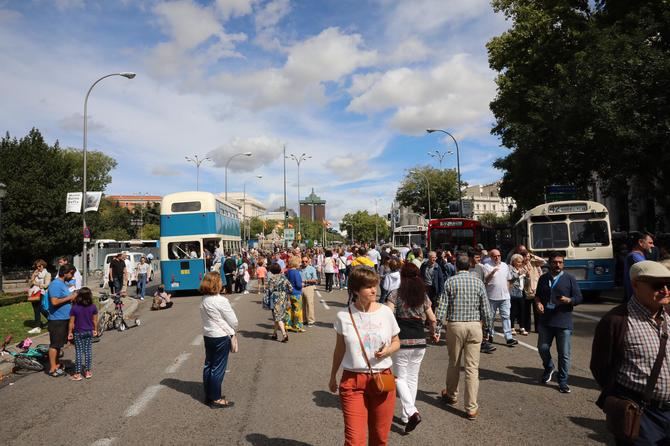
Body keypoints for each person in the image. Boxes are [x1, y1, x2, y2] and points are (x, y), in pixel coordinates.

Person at [591, 261, 670, 444]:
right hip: (641, 415)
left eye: (669, 284)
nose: (665, 290)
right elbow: (600, 367)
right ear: (635, 285)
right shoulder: (616, 321)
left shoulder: (667, 315)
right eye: (657, 285)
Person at [329, 266, 401, 445]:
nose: (374, 290)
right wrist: (332, 376)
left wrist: (388, 351)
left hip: (382, 379)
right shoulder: (343, 316)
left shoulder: (385, 312)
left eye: (375, 285)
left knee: (379, 438)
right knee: (354, 441)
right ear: (355, 290)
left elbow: (396, 341)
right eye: (368, 286)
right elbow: (339, 349)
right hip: (353, 381)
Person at [435, 255, 493, 420]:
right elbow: (486, 309)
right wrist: (488, 328)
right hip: (475, 325)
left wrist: (437, 328)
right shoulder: (478, 282)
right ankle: (471, 408)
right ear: (471, 266)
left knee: (454, 362)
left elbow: (442, 308)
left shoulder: (450, 282)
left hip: (455, 325)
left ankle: (452, 394)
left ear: (455, 265)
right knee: (472, 368)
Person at [386, 263, 437, 433]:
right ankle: (406, 414)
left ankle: (412, 412)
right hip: (419, 341)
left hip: (401, 339)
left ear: (402, 277)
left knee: (400, 378)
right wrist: (433, 333)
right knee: (412, 378)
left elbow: (388, 315)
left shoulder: (395, 294)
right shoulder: (423, 296)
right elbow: (432, 318)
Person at [535, 251, 583, 393]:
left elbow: (579, 298)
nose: (558, 265)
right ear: (550, 263)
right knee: (542, 348)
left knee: (564, 354)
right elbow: (537, 296)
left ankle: (562, 381)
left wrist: (569, 300)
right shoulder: (543, 278)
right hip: (545, 321)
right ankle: (549, 366)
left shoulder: (569, 278)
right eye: (555, 262)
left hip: (563, 322)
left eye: (560, 262)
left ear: (563, 264)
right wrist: (538, 303)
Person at [199, 271, 238, 408]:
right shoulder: (221, 300)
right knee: (218, 367)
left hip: (208, 335)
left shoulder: (204, 299)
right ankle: (216, 398)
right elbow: (233, 321)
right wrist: (233, 329)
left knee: (209, 365)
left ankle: (209, 394)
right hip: (220, 335)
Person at [46, 265, 78, 377]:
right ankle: (52, 368)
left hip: (65, 318)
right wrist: (70, 297)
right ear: (65, 273)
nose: (72, 276)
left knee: (59, 344)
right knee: (55, 344)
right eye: (71, 273)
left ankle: (57, 364)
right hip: (57, 320)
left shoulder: (63, 284)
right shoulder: (55, 284)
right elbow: (54, 302)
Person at [482, 249, 518, 346]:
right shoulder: (486, 266)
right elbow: (486, 280)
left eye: (499, 255)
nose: (497, 257)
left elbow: (508, 279)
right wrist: (493, 272)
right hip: (491, 297)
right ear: (491, 257)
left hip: (504, 297)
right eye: (495, 256)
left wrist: (507, 292)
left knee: (506, 317)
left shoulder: (504, 265)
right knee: (490, 318)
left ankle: (509, 337)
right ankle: (490, 334)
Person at [468, 249, 496, 354]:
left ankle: (483, 342)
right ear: (470, 258)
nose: (479, 259)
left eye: (479, 257)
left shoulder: (480, 267)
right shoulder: (465, 268)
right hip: (468, 300)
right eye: (476, 257)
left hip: (479, 298)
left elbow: (484, 282)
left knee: (482, 320)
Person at [67, 287, 98, 381]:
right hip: (89, 331)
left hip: (78, 332)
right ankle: (88, 372)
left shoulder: (75, 308)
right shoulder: (93, 307)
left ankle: (77, 374)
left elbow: (71, 322)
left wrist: (70, 332)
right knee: (88, 351)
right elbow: (95, 320)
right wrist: (95, 330)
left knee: (79, 352)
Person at [624, 233, 655, 302]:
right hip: (637, 299)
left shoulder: (638, 256)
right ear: (640, 242)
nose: (652, 246)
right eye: (650, 243)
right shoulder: (634, 257)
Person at [267, 263, 292, 342]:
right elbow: (290, 288)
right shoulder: (284, 277)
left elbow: (270, 289)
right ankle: (274, 333)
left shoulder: (272, 278)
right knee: (278, 316)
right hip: (283, 297)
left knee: (278, 316)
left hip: (275, 297)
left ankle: (284, 335)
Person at [27, 259, 51, 334]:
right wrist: (33, 276)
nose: (38, 268)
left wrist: (36, 283)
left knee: (38, 308)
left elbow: (46, 285)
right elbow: (30, 284)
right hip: (33, 292)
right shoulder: (36, 273)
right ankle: (51, 319)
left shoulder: (47, 274)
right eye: (36, 266)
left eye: (39, 266)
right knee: (38, 309)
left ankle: (37, 327)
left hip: (41, 293)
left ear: (43, 265)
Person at [508, 254, 528, 336]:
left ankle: (522, 327)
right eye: (518, 262)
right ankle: (512, 327)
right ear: (513, 262)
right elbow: (509, 278)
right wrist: (518, 274)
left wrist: (527, 277)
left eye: (521, 262)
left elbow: (525, 281)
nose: (520, 263)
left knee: (522, 310)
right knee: (513, 310)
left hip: (521, 291)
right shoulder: (510, 269)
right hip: (513, 292)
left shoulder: (522, 269)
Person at [286, 256, 305, 333]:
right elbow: (298, 284)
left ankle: (288, 325)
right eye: (299, 262)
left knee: (289, 310)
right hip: (296, 293)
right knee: (298, 310)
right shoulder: (296, 272)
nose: (300, 264)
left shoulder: (288, 272)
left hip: (289, 293)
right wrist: (302, 284)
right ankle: (297, 326)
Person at [301, 256, 318, 326]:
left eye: (306, 261)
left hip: (309, 287)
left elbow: (315, 280)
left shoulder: (312, 269)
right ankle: (304, 319)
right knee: (302, 305)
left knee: (309, 304)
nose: (304, 263)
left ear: (308, 262)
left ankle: (311, 320)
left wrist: (305, 281)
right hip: (301, 288)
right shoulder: (300, 269)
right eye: (303, 261)